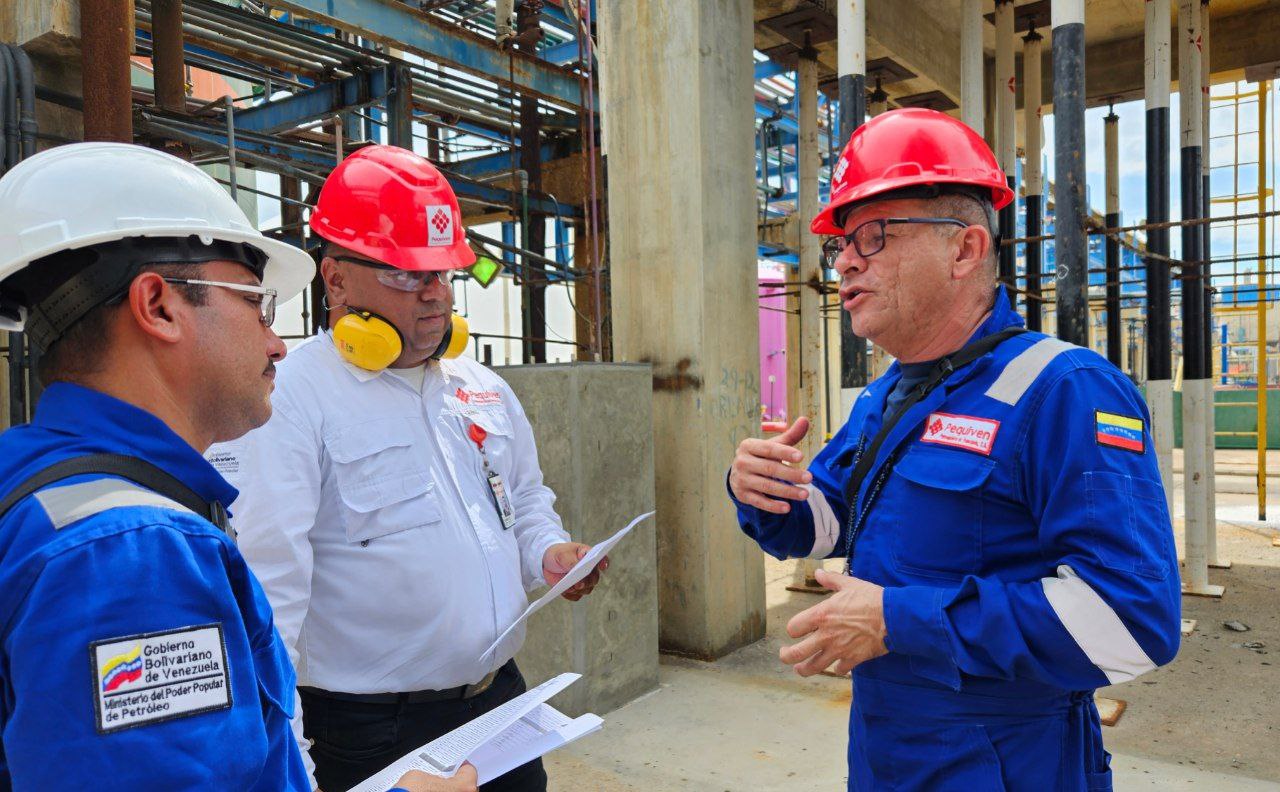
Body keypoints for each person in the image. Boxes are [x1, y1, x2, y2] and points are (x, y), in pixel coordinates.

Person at [728, 108, 1181, 791]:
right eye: (842, 244)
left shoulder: (1065, 390)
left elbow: (1131, 621)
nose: (845, 261)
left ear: (965, 250)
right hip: (888, 756)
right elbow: (829, 524)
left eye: (873, 235)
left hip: (1010, 765)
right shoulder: (888, 395)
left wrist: (898, 621)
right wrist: (766, 492)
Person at [0, 142, 472, 792]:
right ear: (158, 306)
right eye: (257, 304)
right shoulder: (131, 554)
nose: (277, 344)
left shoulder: (34, 481)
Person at [209, 144, 607, 792]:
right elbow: (267, 600)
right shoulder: (292, 398)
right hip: (370, 731)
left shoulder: (480, 387)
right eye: (405, 273)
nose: (434, 295)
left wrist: (548, 553)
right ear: (335, 279)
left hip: (500, 703)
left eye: (443, 273)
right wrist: (292, 772)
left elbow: (525, 500)